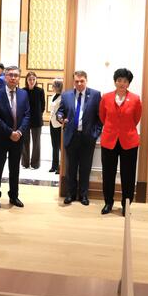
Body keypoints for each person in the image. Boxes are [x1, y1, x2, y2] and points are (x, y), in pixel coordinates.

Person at [98, 68, 143, 216]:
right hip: (109, 140)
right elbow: (102, 117)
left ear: (129, 83)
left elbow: (136, 118)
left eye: (125, 81)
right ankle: (108, 202)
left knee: (128, 175)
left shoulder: (135, 99)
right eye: (119, 80)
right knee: (108, 174)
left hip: (129, 141)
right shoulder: (106, 97)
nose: (122, 83)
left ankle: (126, 204)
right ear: (115, 82)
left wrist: (124, 129)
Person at [57, 70, 102, 205]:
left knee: (85, 167)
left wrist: (95, 133)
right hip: (71, 136)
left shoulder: (95, 95)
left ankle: (83, 195)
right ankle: (70, 194)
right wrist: (60, 118)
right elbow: (60, 111)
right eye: (77, 81)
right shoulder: (66, 95)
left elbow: (100, 117)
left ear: (86, 81)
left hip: (88, 137)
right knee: (70, 168)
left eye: (82, 81)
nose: (79, 84)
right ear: (73, 81)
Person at [0, 65, 30, 209]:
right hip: (1, 138)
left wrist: (19, 132)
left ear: (19, 78)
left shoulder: (24, 94)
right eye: (10, 75)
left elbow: (27, 115)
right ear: (5, 77)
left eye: (16, 75)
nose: (13, 78)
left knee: (14, 169)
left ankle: (14, 196)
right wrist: (9, 133)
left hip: (18, 138)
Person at [21, 71, 45, 169]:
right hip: (25, 119)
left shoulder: (40, 91)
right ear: (26, 80)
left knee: (36, 142)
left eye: (33, 79)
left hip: (37, 119)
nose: (32, 81)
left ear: (36, 80)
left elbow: (43, 105)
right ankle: (25, 163)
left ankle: (35, 163)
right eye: (30, 79)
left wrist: (38, 114)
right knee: (25, 141)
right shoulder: (23, 91)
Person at [48, 79, 63, 174]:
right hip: (52, 122)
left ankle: (60, 167)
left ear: (58, 86)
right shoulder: (53, 96)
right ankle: (54, 165)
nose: (52, 87)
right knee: (54, 145)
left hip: (58, 124)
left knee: (60, 146)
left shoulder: (62, 97)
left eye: (53, 85)